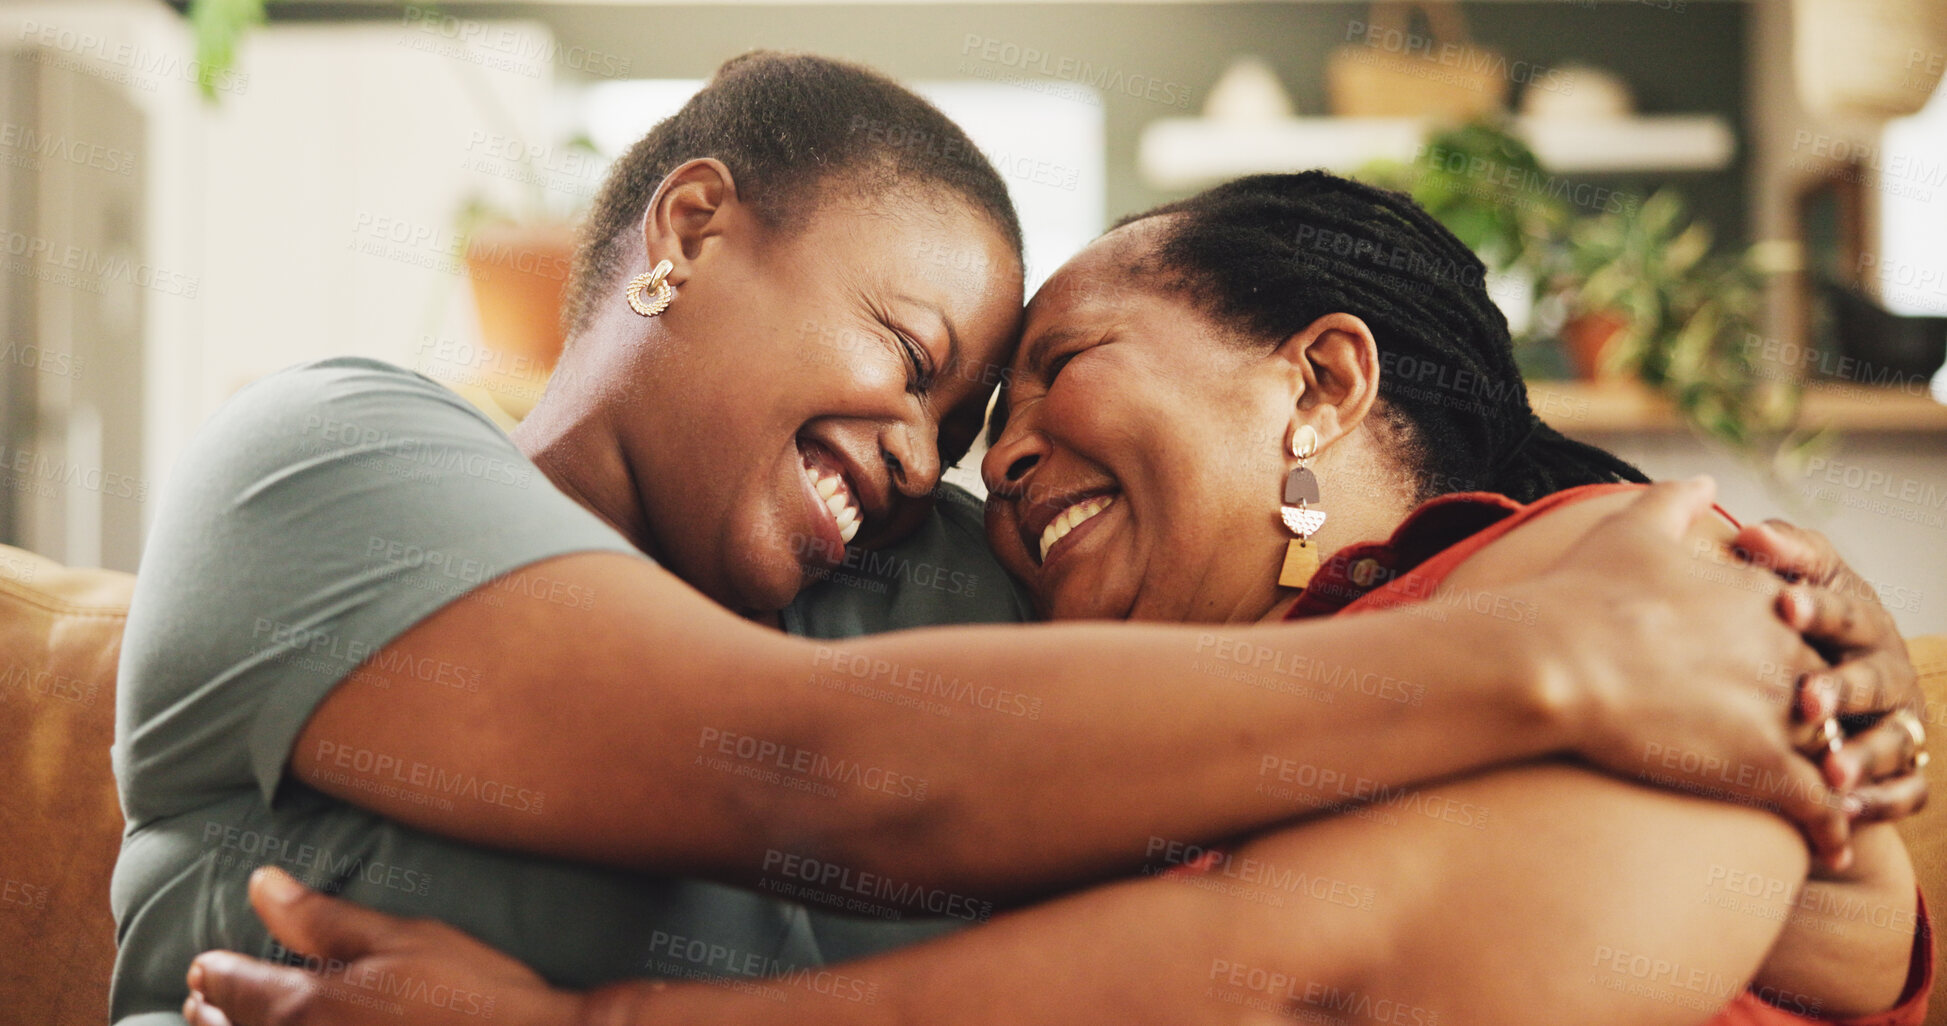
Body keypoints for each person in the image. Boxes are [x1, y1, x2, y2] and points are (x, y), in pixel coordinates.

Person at [139, 56, 1917, 1026]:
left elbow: (1336, 964)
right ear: (689, 230)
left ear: (1322, 382)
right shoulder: (337, 451)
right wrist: (1576, 658)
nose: (943, 464)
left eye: (1013, 384)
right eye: (935, 374)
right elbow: (833, 768)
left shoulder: (1599, 593)